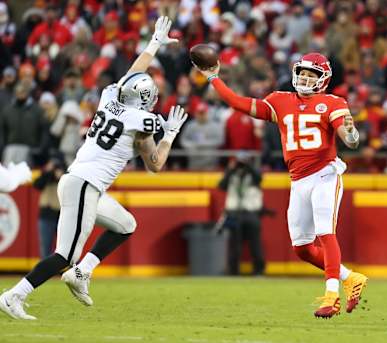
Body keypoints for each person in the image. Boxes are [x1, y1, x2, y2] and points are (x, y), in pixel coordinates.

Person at [0, 16, 187, 320]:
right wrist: (170, 134)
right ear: (144, 99)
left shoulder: (109, 96)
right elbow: (155, 164)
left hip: (81, 182)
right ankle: (13, 296)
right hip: (85, 185)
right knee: (65, 254)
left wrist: (154, 43)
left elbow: (132, 74)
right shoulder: (142, 121)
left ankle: (82, 273)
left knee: (126, 224)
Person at [195, 52, 368, 318]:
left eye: (312, 75)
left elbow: (350, 140)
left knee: (325, 231)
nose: (305, 79)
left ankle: (331, 295)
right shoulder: (280, 100)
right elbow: (238, 103)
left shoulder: (333, 103)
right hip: (298, 180)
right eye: (302, 74)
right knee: (301, 248)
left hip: (325, 173)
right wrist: (213, 78)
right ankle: (350, 278)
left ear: (323, 79)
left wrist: (352, 132)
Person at [219, 152, 265, 276]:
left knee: (255, 244)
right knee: (235, 244)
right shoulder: (232, 174)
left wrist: (248, 166)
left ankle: (258, 271)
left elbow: (259, 179)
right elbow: (221, 186)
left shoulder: (253, 173)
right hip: (234, 213)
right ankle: (233, 271)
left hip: (251, 212)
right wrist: (231, 170)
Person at [32, 154, 66, 258]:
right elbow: (37, 185)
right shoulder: (45, 175)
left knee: (65, 247)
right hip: (46, 214)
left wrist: (61, 176)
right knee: (45, 247)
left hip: (62, 215)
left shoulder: (66, 174)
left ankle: (69, 271)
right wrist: (47, 172)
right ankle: (45, 272)